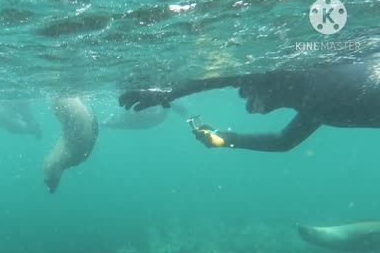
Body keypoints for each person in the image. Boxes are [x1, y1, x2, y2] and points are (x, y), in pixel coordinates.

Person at [118, 59, 380, 152]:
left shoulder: (312, 87)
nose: (242, 95)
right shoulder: (314, 103)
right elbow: (283, 141)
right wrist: (225, 140)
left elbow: (233, 77)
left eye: (247, 90)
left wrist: (170, 93)